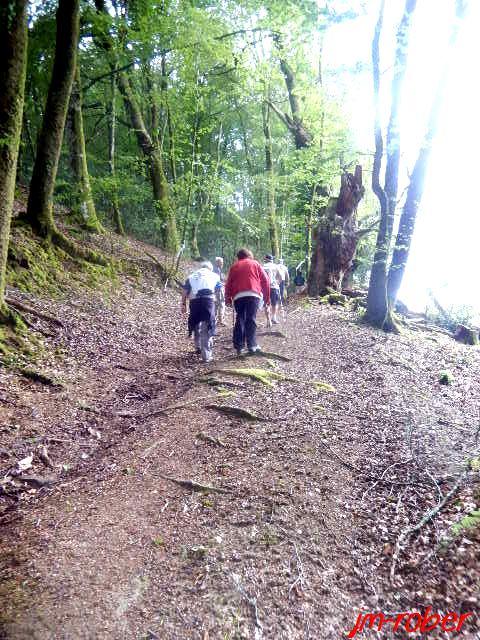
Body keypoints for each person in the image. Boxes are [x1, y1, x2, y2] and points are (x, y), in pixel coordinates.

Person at [224, 248, 270, 355]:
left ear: (238, 257)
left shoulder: (234, 266)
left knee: (240, 318)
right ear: (249, 255)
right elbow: (265, 280)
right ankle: (252, 345)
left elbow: (228, 283)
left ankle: (239, 346)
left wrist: (228, 298)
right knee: (251, 319)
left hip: (238, 295)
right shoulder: (255, 263)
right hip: (253, 294)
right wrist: (267, 298)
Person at [181, 261, 222, 363]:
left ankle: (198, 346)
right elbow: (218, 290)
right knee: (206, 327)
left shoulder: (191, 276)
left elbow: (185, 291)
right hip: (208, 301)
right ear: (210, 268)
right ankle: (206, 356)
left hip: (194, 301)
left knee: (196, 324)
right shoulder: (214, 275)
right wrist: (218, 302)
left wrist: (183, 304)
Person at [263, 254, 282, 325]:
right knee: (275, 303)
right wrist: (278, 283)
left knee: (266, 303)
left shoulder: (262, 267)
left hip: (265, 287)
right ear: (271, 260)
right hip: (274, 287)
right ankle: (274, 317)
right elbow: (280, 276)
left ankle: (268, 320)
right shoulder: (276, 266)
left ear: (266, 259)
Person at [213, 256, 226, 325]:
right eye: (221, 262)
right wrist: (223, 283)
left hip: (214, 289)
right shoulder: (217, 270)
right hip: (218, 289)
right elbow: (218, 281)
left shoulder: (214, 269)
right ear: (218, 262)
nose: (222, 264)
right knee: (221, 304)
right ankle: (221, 320)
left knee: (216, 304)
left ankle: (214, 320)